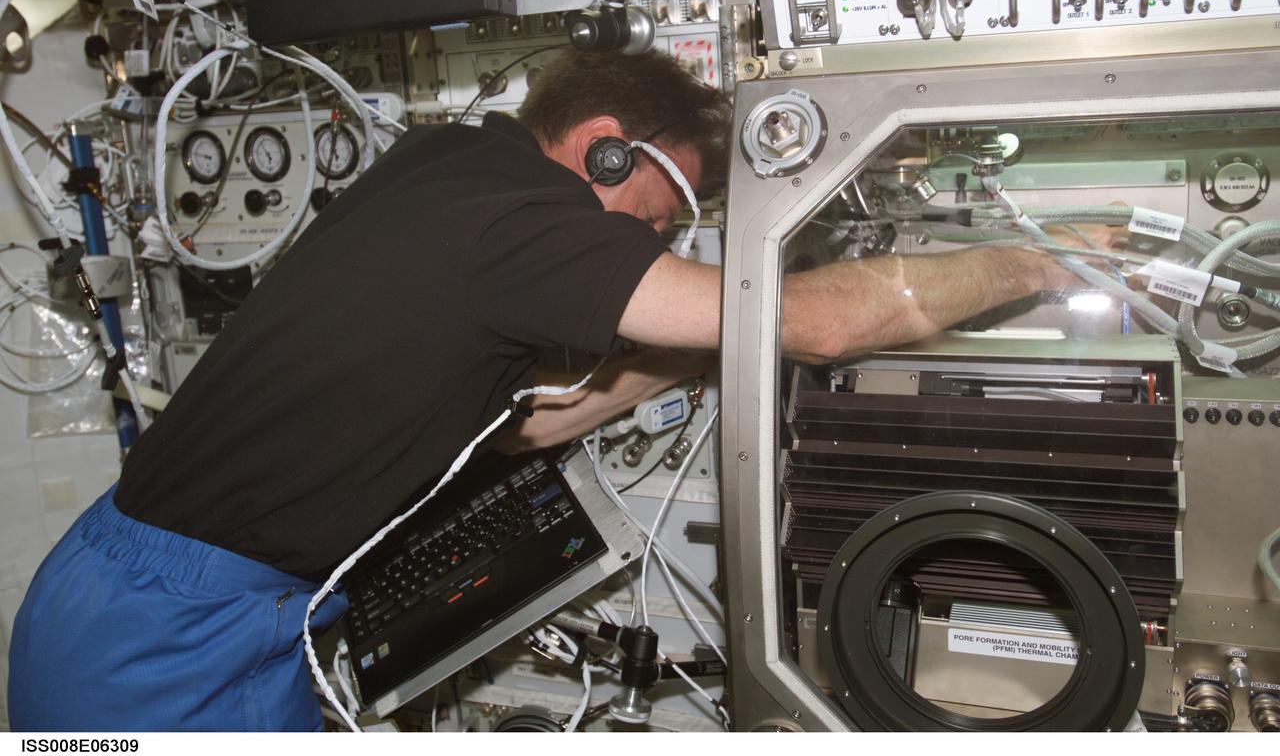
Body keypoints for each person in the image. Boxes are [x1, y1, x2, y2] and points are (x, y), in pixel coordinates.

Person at [7, 49, 1111, 731]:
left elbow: (516, 429)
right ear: (603, 153)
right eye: (664, 218)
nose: (663, 245)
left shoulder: (447, 169)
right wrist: (1038, 261)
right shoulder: (525, 222)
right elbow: (818, 320)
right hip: (151, 638)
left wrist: (691, 355)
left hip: (187, 606)